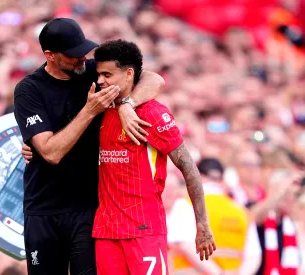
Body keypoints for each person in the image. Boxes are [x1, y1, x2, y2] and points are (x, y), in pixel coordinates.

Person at [14, 18, 165, 275]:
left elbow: (154, 78)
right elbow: (51, 152)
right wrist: (90, 110)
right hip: (43, 208)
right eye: (73, 55)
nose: (82, 58)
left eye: (83, 50)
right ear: (50, 55)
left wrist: (127, 104)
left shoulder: (91, 71)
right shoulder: (29, 89)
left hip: (88, 208)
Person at [90, 39, 215, 275]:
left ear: (129, 74)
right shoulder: (100, 108)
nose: (100, 80)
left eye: (107, 74)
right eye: (99, 74)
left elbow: (188, 167)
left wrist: (203, 223)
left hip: (143, 228)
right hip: (106, 230)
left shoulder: (152, 114)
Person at [169, 158, 262, 275]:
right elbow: (253, 255)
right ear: (222, 180)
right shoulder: (241, 211)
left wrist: (217, 273)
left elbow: (184, 245)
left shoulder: (184, 204)